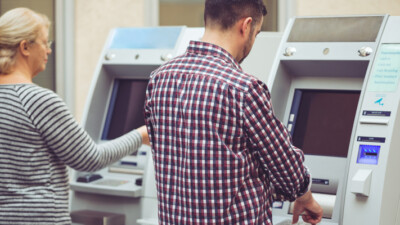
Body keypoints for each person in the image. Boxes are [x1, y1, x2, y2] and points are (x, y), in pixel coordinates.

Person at [144, 0, 323, 224]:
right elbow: (284, 165)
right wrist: (305, 197)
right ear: (246, 26)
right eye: (256, 33)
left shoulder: (159, 79)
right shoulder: (243, 88)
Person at [0, 7, 150, 225]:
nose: (49, 50)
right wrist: (140, 135)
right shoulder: (37, 100)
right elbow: (90, 159)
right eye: (44, 42)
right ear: (25, 47)